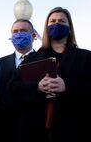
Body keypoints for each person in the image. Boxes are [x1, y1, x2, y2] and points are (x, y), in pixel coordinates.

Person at [11, 7, 91, 142]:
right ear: (46, 28)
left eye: (62, 21)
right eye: (52, 21)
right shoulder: (32, 59)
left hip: (73, 129)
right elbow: (13, 87)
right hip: (35, 131)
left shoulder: (86, 57)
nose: (57, 24)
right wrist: (38, 87)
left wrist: (66, 86)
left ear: (70, 28)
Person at [0, 19, 36, 142]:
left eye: (23, 30)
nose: (19, 34)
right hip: (4, 128)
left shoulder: (43, 60)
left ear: (33, 35)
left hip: (34, 128)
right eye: (15, 31)